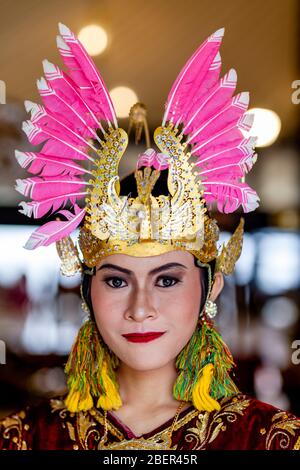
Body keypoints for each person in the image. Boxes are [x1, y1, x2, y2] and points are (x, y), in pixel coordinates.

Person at [1, 23, 299, 451]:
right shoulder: (26, 438)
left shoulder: (270, 439)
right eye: (117, 280)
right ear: (86, 288)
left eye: (167, 279)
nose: (140, 309)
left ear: (211, 283)